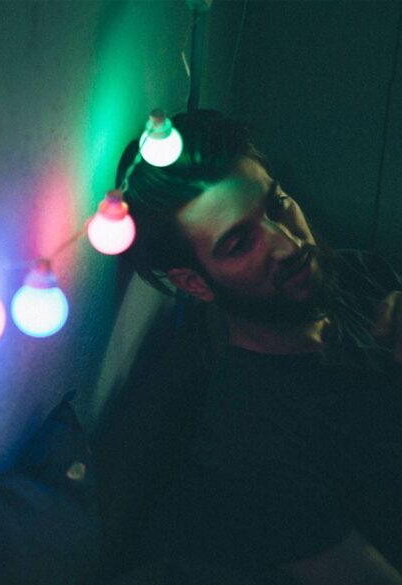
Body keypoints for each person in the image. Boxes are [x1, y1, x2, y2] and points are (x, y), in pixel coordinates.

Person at [107, 109, 402, 584]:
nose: (288, 245)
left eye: (277, 206)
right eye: (239, 244)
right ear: (195, 283)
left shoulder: (358, 274)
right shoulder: (249, 444)